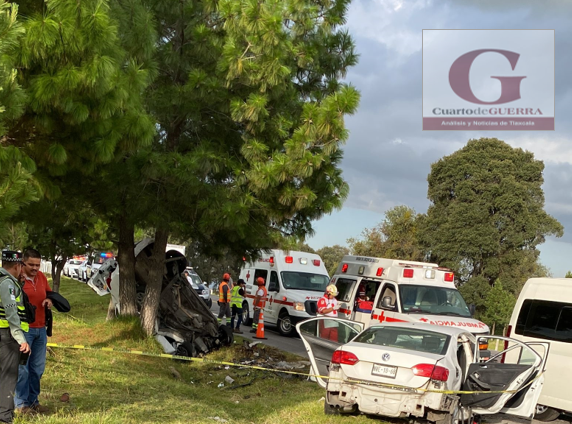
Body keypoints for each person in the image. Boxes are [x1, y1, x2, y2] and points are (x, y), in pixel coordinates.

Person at [15, 249, 52, 415]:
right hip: (24, 330)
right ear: (23, 263)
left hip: (40, 329)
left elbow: (50, 293)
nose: (35, 268)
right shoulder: (15, 279)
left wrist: (49, 300)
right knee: (23, 368)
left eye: (38, 264)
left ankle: (33, 401)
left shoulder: (42, 277)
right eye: (31, 264)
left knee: (37, 368)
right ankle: (21, 404)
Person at [0, 251, 30, 424]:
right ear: (17, 266)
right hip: (7, 336)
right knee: (8, 376)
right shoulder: (7, 284)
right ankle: (5, 416)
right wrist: (21, 339)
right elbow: (11, 314)